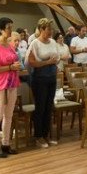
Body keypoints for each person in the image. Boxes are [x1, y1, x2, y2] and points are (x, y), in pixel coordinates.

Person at [0, 17, 21, 158]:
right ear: (1, 30)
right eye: (8, 28)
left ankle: (6, 143)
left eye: (11, 27)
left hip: (11, 82)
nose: (10, 30)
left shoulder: (9, 45)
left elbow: (14, 59)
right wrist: (11, 67)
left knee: (9, 115)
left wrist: (16, 66)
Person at [28, 18, 60, 148]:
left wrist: (55, 61)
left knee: (49, 107)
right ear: (41, 29)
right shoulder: (35, 43)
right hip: (39, 78)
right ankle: (38, 136)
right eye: (48, 29)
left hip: (52, 77)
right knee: (40, 108)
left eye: (52, 29)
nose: (51, 32)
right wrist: (47, 62)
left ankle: (46, 135)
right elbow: (31, 63)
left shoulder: (53, 42)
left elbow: (57, 57)